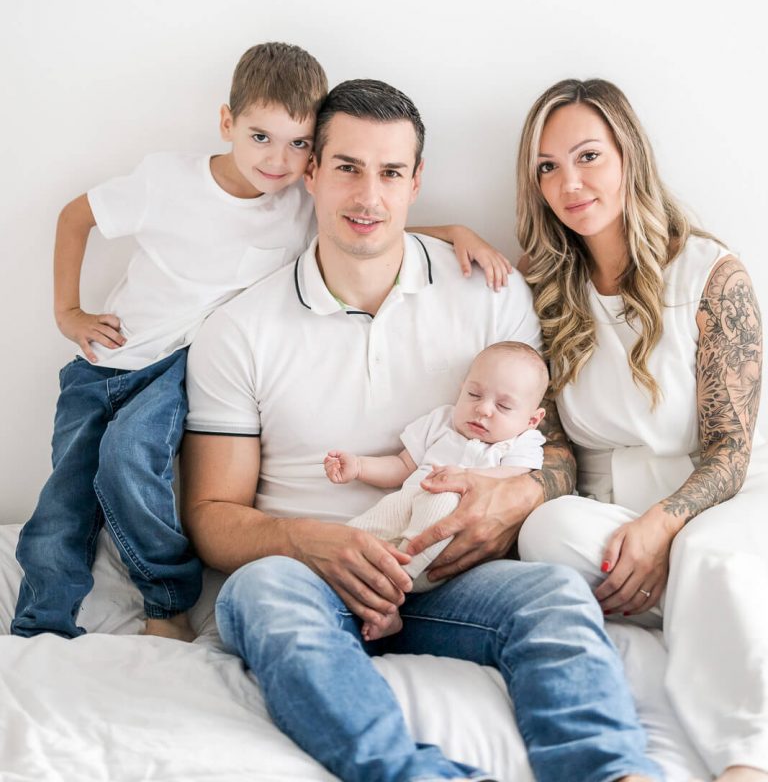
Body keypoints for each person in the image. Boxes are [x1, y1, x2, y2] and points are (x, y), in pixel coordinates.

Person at [181, 77, 662, 782]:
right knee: (258, 593)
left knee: (553, 595)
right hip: (308, 581)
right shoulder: (238, 329)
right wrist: (306, 542)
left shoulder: (488, 292)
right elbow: (211, 515)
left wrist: (517, 498)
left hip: (446, 577)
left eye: (390, 172)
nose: (368, 196)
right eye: (347, 168)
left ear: (416, 181)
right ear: (311, 172)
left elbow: (552, 450)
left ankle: (612, 772)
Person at [12, 40, 512, 645]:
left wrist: (454, 230)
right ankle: (40, 622)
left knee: (128, 458)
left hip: (172, 368)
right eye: (260, 137)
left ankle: (165, 602)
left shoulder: (298, 205)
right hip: (109, 360)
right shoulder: (169, 182)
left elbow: (371, 222)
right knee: (65, 496)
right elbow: (76, 216)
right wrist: (68, 312)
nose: (277, 160)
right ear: (228, 123)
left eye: (297, 144)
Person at [514, 77, 768, 782]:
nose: (569, 183)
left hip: (719, 502)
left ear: (629, 154)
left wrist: (663, 527)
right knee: (545, 531)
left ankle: (745, 761)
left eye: (588, 156)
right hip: (612, 520)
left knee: (707, 557)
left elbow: (731, 450)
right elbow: (556, 446)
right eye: (547, 167)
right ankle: (684, 616)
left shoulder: (710, 274)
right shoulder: (545, 288)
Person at [324, 340, 547, 639]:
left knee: (441, 500)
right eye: (474, 394)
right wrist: (359, 466)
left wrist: (468, 476)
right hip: (409, 499)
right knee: (359, 533)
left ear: (532, 420)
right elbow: (402, 465)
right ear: (461, 389)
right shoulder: (441, 421)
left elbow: (516, 475)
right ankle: (346, 579)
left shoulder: (522, 441)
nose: (482, 409)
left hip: (452, 527)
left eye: (503, 406)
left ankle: (392, 591)